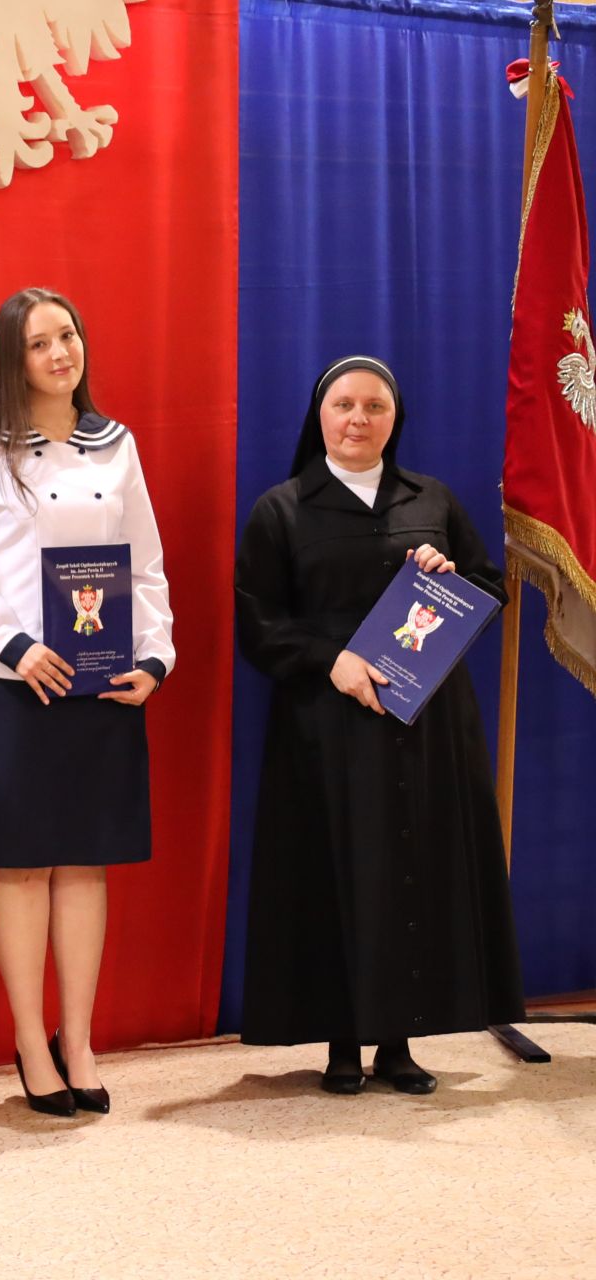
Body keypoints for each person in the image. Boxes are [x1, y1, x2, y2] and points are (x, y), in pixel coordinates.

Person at [235, 354, 524, 1094]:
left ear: (395, 419)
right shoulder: (281, 509)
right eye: (344, 405)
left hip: (426, 722)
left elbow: (489, 587)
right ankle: (341, 1043)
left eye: (375, 407)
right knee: (336, 871)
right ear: (320, 415)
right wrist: (329, 660)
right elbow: (258, 623)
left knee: (413, 868)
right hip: (325, 721)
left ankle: (400, 1043)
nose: (358, 419)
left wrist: (451, 577)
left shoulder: (433, 500)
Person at [0, 287, 173, 1117]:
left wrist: (154, 657)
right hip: (14, 682)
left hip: (101, 679)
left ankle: (80, 1039)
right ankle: (31, 1041)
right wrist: (15, 644)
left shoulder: (116, 444)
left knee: (86, 860)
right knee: (25, 862)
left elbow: (145, 565)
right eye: (39, 343)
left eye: (69, 335)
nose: (61, 353)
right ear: (11, 358)